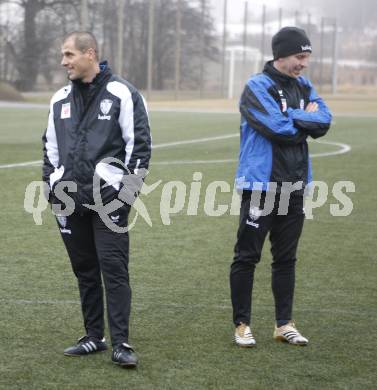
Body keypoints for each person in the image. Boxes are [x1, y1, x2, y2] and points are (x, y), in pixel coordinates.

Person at [42, 31, 151, 367]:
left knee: (114, 270)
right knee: (85, 271)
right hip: (69, 200)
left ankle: (121, 343)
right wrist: (52, 190)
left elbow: (140, 149)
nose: (64, 62)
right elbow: (49, 150)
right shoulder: (59, 99)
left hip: (110, 203)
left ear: (90, 54)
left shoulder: (122, 93)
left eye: (69, 54)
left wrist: (126, 197)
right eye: (63, 56)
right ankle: (94, 337)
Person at [230, 27, 332, 347]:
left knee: (286, 259)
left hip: (295, 185)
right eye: (300, 57)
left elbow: (325, 121)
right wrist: (305, 119)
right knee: (247, 256)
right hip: (261, 185)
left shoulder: (304, 85)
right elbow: (278, 129)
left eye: (307, 58)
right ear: (281, 55)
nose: (304, 64)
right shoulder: (256, 87)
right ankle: (242, 324)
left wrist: (294, 116)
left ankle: (283, 323)